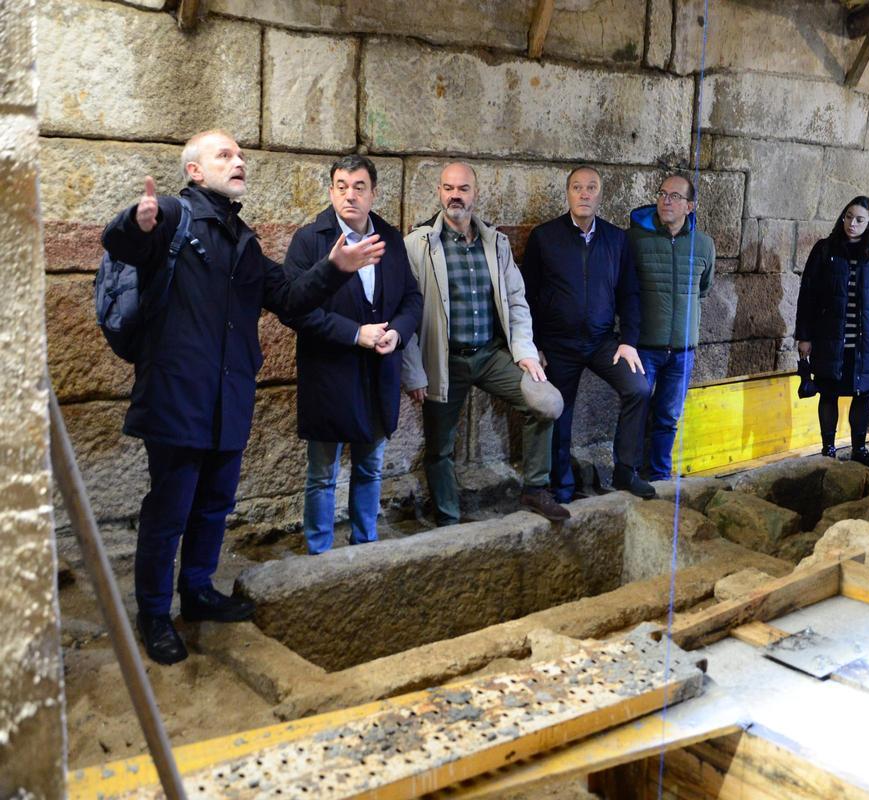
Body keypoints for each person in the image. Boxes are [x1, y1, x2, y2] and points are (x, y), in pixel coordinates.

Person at [100, 130, 384, 664]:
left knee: (214, 506)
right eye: (225, 155)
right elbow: (124, 241)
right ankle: (155, 614)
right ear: (194, 171)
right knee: (168, 512)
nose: (239, 161)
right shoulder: (168, 217)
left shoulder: (243, 240)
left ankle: (199, 592)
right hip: (177, 395)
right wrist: (134, 224)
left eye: (240, 154)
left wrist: (333, 269)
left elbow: (290, 300)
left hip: (229, 395)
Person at [400, 162, 569, 526]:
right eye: (448, 188)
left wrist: (525, 354)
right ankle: (447, 518)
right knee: (440, 446)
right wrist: (413, 370)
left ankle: (536, 487)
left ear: (476, 193)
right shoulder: (418, 245)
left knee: (545, 403)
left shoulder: (496, 243)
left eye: (462, 188)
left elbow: (517, 299)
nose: (455, 195)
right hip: (443, 358)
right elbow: (405, 311)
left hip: (491, 354)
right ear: (439, 192)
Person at [282, 155, 423, 555]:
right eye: (341, 186)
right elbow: (296, 310)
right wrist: (354, 333)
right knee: (323, 474)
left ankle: (365, 546)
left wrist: (397, 332)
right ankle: (319, 551)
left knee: (370, 468)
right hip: (330, 373)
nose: (350, 194)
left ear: (373, 193)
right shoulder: (310, 240)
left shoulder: (391, 239)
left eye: (359, 187)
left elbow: (412, 298)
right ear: (330, 191)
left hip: (379, 372)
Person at [521, 166, 654, 502]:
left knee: (639, 387)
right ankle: (562, 486)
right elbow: (529, 295)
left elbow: (629, 293)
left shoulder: (616, 239)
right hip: (558, 344)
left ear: (600, 194)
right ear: (567, 194)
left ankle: (625, 471)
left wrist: (628, 342)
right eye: (577, 187)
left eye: (591, 187)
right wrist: (534, 344)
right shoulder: (545, 237)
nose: (584, 193)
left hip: (602, 342)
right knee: (558, 412)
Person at [794, 195, 869, 474]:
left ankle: (859, 449)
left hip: (863, 341)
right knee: (829, 393)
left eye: (859, 219)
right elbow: (808, 295)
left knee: (861, 395)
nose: (852, 223)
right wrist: (805, 336)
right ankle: (828, 449)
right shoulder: (825, 250)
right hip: (829, 339)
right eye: (848, 217)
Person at [627, 173, 716, 482]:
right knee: (634, 413)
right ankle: (628, 473)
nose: (666, 200)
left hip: (682, 350)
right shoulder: (636, 238)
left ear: (689, 206)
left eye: (675, 196)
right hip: (643, 347)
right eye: (662, 194)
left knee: (668, 417)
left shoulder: (704, 244)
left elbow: (703, 288)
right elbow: (624, 288)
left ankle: (660, 476)